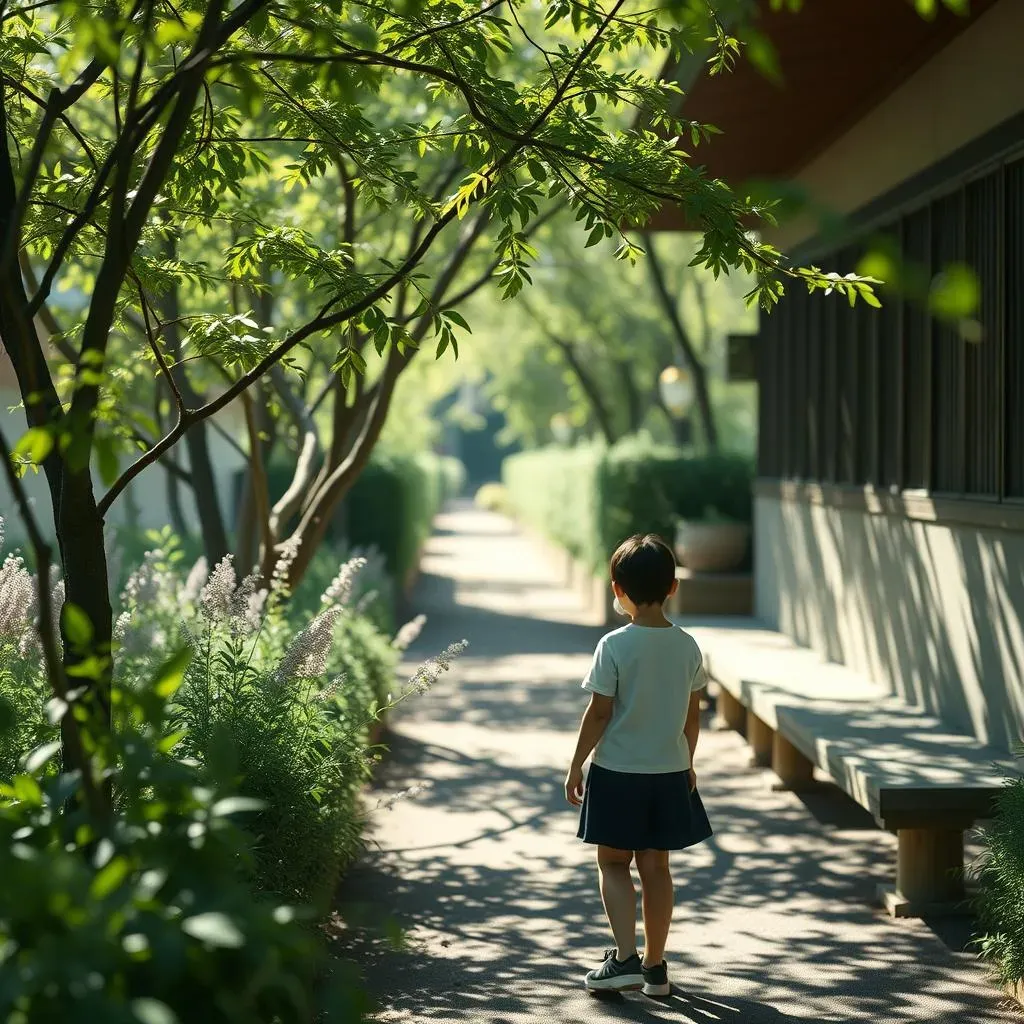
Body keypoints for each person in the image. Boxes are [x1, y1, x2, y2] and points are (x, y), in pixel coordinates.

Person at [564, 533, 712, 997]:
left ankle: (624, 958)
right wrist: (688, 762)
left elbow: (600, 711)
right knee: (657, 868)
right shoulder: (687, 646)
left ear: (618, 590)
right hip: (668, 773)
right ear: (672, 587)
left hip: (618, 773)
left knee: (612, 862)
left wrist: (575, 765)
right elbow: (693, 715)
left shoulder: (613, 645)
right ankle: (655, 967)